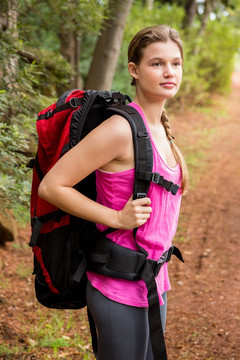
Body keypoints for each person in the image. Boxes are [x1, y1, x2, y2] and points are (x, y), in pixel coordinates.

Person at [38, 25, 188, 360]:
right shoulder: (120, 129)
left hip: (153, 281)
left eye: (176, 63)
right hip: (117, 285)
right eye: (157, 63)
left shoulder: (161, 125)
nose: (169, 72)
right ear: (134, 70)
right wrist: (116, 217)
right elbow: (52, 186)